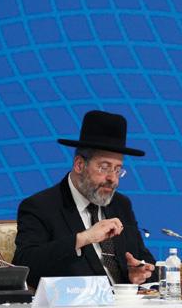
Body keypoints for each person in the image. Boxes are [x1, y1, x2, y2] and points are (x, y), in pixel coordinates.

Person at [13, 110, 156, 288]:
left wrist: (139, 272)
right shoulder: (41, 206)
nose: (113, 178)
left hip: (123, 302)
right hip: (75, 303)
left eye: (117, 169)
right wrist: (83, 238)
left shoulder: (121, 204)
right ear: (79, 165)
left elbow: (144, 258)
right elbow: (25, 265)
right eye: (104, 167)